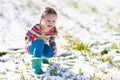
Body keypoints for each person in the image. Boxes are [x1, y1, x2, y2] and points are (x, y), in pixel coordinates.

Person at [25, 7, 57, 74]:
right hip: (31, 47)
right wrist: (38, 39)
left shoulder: (52, 30)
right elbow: (27, 37)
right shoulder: (36, 28)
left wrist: (54, 48)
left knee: (50, 52)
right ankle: (36, 67)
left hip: (41, 47)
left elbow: (52, 41)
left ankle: (43, 58)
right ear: (42, 19)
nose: (51, 23)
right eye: (48, 20)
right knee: (40, 42)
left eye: (53, 21)